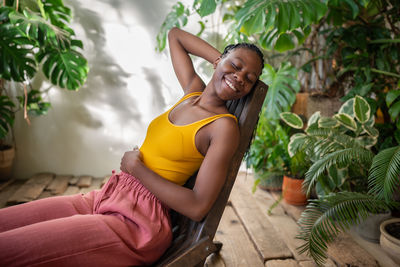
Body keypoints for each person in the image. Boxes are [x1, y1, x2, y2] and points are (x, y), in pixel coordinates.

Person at [0, 27, 264, 266]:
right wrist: (224, 65)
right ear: (218, 60)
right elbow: (175, 36)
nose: (240, 77)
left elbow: (198, 206)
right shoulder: (193, 92)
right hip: (107, 196)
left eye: (249, 78)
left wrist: (137, 169)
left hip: (136, 224)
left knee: (9, 248)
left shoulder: (223, 127)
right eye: (236, 66)